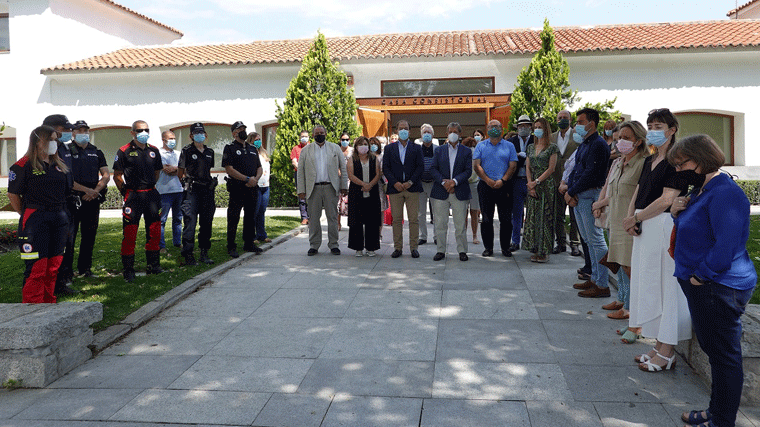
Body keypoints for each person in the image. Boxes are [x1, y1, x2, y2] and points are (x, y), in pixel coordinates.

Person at [669, 134, 757, 427]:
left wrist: (700, 276)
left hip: (719, 287)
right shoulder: (704, 189)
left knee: (724, 358)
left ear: (702, 159)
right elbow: (698, 230)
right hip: (706, 285)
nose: (679, 170)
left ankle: (721, 420)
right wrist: (675, 212)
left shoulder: (725, 193)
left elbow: (726, 245)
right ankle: (716, 412)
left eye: (683, 163)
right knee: (717, 355)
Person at [622, 108, 691, 367]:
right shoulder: (649, 160)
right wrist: (630, 218)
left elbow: (666, 199)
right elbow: (639, 190)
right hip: (643, 227)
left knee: (666, 287)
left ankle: (667, 350)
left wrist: (637, 218)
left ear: (672, 130)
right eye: (650, 125)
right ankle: (657, 345)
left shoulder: (677, 160)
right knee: (649, 285)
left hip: (661, 226)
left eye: (659, 125)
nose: (653, 130)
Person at [591, 121, 648, 321]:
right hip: (614, 221)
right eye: (618, 138)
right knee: (620, 265)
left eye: (626, 138)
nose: (620, 142)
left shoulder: (643, 164)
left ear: (639, 141)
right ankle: (623, 299)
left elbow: (637, 195)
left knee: (630, 267)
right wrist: (600, 205)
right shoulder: (618, 162)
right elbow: (611, 190)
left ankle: (632, 310)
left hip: (629, 223)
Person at [8, 125, 71, 303]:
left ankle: (49, 302)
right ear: (38, 141)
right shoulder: (22, 166)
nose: (54, 143)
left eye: (55, 139)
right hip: (36, 220)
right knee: (37, 267)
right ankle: (32, 306)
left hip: (59, 218)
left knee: (53, 266)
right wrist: (26, 214)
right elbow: (13, 195)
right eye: (50, 139)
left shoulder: (59, 165)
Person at [565, 107, 611, 298]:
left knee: (596, 240)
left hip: (590, 195)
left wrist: (571, 191)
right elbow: (576, 170)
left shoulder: (598, 145)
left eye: (581, 122)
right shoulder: (584, 144)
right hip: (580, 196)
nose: (577, 126)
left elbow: (590, 174)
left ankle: (602, 284)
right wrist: (570, 190)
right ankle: (593, 278)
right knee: (587, 240)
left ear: (591, 123)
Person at [112, 120, 163, 282]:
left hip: (151, 195)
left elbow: (157, 172)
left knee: (154, 231)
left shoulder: (154, 151)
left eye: (147, 130)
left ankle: (154, 265)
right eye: (140, 130)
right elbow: (117, 175)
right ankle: (128, 269)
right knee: (130, 234)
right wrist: (125, 192)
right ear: (132, 132)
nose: (144, 133)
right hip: (133, 196)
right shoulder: (123, 151)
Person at [61, 120, 109, 278]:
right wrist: (86, 190)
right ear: (73, 133)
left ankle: (85, 269)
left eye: (86, 131)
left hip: (92, 198)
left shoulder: (96, 151)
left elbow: (106, 175)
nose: (84, 133)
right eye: (80, 130)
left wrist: (95, 191)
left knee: (89, 236)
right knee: (70, 237)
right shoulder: (65, 150)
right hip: (73, 198)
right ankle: (67, 272)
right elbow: (65, 177)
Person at [41, 114, 80, 295]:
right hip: (49, 205)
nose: (69, 132)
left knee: (66, 243)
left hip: (66, 203)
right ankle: (50, 283)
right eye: (65, 129)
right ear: (52, 128)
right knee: (52, 246)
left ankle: (63, 280)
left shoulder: (63, 147)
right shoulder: (42, 150)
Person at [297, 125, 348, 255]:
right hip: (313, 188)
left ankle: (333, 244)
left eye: (322, 132)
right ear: (313, 135)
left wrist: (344, 186)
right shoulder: (306, 151)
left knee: (332, 217)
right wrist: (301, 190)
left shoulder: (335, 148)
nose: (319, 134)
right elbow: (300, 172)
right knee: (314, 218)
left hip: (330, 187)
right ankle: (314, 245)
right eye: (317, 133)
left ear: (325, 133)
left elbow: (343, 168)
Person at [473, 119, 517, 257]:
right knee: (486, 219)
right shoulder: (480, 146)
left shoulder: (509, 146)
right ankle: (488, 248)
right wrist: (488, 180)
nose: (494, 129)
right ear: (487, 129)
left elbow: (513, 165)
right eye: (491, 126)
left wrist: (503, 180)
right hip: (485, 186)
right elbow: (476, 165)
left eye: (497, 126)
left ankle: (505, 248)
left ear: (502, 129)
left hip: (504, 186)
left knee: (505, 219)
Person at [430, 122, 472, 261]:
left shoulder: (466, 151)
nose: (452, 134)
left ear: (460, 134)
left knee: (460, 224)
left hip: (459, 191)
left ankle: (462, 251)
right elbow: (433, 169)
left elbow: (468, 171)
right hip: (440, 191)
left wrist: (454, 182)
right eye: (450, 131)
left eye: (455, 131)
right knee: (440, 224)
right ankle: (441, 250)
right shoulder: (439, 150)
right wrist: (444, 182)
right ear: (446, 134)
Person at [383, 120, 424, 258]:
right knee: (396, 220)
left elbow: (420, 167)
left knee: (414, 219)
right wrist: (395, 183)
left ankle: (414, 248)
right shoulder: (389, 148)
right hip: (395, 189)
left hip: (412, 188)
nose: (403, 131)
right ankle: (398, 248)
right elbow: (386, 168)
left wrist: (410, 182)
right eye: (401, 128)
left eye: (406, 128)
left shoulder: (417, 148)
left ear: (410, 131)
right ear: (397, 131)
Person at [178, 123, 217, 266]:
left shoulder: (210, 152)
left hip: (207, 190)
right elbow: (180, 171)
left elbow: (208, 170)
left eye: (202, 132)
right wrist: (185, 183)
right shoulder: (187, 151)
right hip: (192, 190)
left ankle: (204, 252)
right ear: (191, 136)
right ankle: (188, 253)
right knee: (190, 222)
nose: (199, 135)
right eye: (196, 133)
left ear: (206, 135)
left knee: (206, 223)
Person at [222, 121, 263, 258]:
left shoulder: (252, 149)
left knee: (250, 217)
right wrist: (246, 179)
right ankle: (231, 246)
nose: (243, 131)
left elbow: (259, 167)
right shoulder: (229, 148)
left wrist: (255, 179)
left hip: (252, 188)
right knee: (233, 217)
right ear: (234, 133)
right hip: (237, 188)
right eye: (240, 129)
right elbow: (229, 169)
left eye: (244, 128)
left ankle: (249, 243)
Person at [523, 118, 558, 263]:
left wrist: (537, 182)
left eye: (540, 127)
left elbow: (552, 169)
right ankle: (534, 248)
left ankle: (544, 250)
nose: (537, 129)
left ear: (546, 129)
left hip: (546, 185)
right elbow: (527, 167)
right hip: (532, 185)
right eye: (535, 127)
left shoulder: (552, 147)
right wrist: (530, 184)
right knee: (533, 217)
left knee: (545, 217)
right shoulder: (530, 147)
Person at [551, 110, 582, 256]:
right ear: (556, 120)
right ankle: (561, 242)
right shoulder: (552, 137)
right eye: (560, 118)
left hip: (574, 181)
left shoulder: (576, 136)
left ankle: (575, 244)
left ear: (570, 120)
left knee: (574, 215)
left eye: (565, 118)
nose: (562, 120)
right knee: (558, 214)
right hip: (557, 180)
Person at [346, 136, 381, 256]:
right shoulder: (352, 159)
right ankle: (358, 248)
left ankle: (371, 248)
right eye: (360, 144)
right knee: (357, 221)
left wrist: (370, 185)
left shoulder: (374, 158)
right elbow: (350, 175)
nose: (363, 146)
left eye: (365, 144)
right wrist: (363, 184)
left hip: (372, 192)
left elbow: (378, 174)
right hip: (356, 192)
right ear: (356, 147)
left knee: (372, 220)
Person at [507, 115, 535, 252]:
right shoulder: (511, 142)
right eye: (521, 126)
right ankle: (515, 241)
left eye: (526, 126)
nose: (523, 128)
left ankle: (531, 241)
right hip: (516, 180)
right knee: (516, 213)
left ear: (531, 127)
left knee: (533, 213)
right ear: (517, 128)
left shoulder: (536, 140)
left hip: (532, 181)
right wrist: (517, 155)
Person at [157, 130, 183, 256]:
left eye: (174, 138)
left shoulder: (179, 154)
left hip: (178, 189)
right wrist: (175, 169)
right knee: (162, 219)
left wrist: (176, 169)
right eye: (170, 138)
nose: (173, 140)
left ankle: (177, 242)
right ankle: (161, 246)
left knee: (178, 218)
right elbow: (166, 170)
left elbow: (183, 170)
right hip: (163, 191)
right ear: (163, 139)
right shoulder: (158, 153)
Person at [417, 123, 438, 245]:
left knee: (436, 212)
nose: (426, 134)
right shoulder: (417, 149)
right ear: (421, 135)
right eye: (424, 132)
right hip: (420, 184)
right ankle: (422, 236)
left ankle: (436, 236)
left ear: (433, 135)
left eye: (429, 132)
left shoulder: (438, 149)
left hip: (434, 183)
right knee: (421, 213)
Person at [249, 133, 271, 244]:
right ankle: (252, 237)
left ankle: (262, 234)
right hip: (256, 185)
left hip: (265, 186)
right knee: (254, 212)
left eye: (259, 139)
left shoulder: (264, 153)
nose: (258, 141)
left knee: (262, 211)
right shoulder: (250, 153)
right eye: (255, 140)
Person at [462, 136, 480, 244]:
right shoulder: (462, 156)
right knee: (463, 211)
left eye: (473, 146)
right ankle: (463, 234)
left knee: (474, 211)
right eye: (469, 146)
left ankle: (474, 235)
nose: (471, 148)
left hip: (475, 184)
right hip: (463, 185)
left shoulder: (477, 157)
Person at [369, 137, 387, 240]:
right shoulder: (366, 157)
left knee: (380, 210)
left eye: (374, 143)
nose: (373, 145)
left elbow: (383, 171)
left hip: (379, 185)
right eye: (370, 143)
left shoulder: (382, 156)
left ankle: (379, 232)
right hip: (368, 186)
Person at [291, 130, 310, 225]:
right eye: (302, 136)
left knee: (311, 195)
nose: (304, 138)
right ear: (299, 137)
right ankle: (304, 217)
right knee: (302, 195)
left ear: (309, 137)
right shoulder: (295, 148)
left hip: (311, 174)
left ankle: (312, 216)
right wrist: (302, 170)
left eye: (306, 136)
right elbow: (294, 162)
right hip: (299, 174)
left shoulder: (313, 147)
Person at [338, 132, 353, 231]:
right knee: (338, 203)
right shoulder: (337, 151)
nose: (345, 141)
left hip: (351, 179)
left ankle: (351, 223)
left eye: (347, 139)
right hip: (338, 179)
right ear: (340, 140)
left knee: (351, 202)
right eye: (343, 139)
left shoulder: (352, 151)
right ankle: (338, 223)